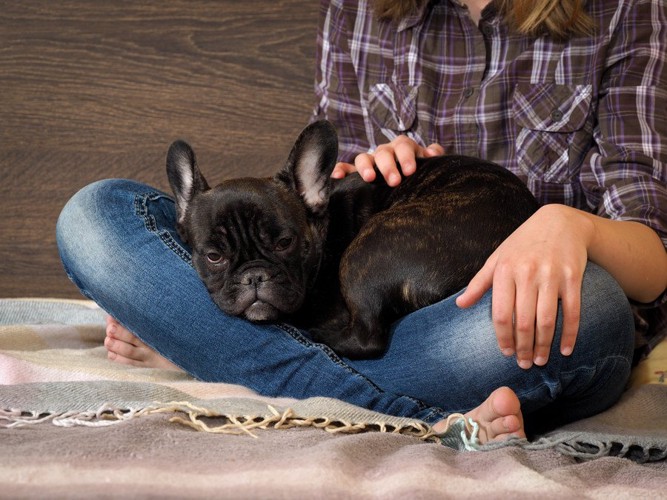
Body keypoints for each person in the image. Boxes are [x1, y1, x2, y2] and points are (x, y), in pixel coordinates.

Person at [56, 0, 667, 443]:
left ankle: (214, 353)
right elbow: (317, 201)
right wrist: (363, 168)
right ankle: (425, 413)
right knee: (94, 215)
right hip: (397, 330)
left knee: (591, 302)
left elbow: (655, 257)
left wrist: (572, 226)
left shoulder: (622, 9)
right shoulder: (360, 10)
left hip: (503, 320)